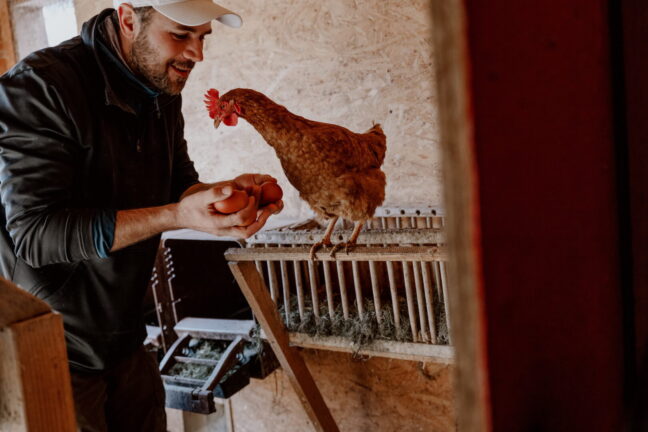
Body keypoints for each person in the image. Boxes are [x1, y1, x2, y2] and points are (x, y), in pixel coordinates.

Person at [0, 1, 281, 430]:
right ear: (129, 19)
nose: (197, 54)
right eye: (181, 34)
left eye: (202, 36)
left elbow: (178, 185)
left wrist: (225, 195)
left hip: (126, 336)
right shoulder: (40, 88)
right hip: (54, 349)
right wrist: (175, 215)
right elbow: (37, 235)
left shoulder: (158, 85)